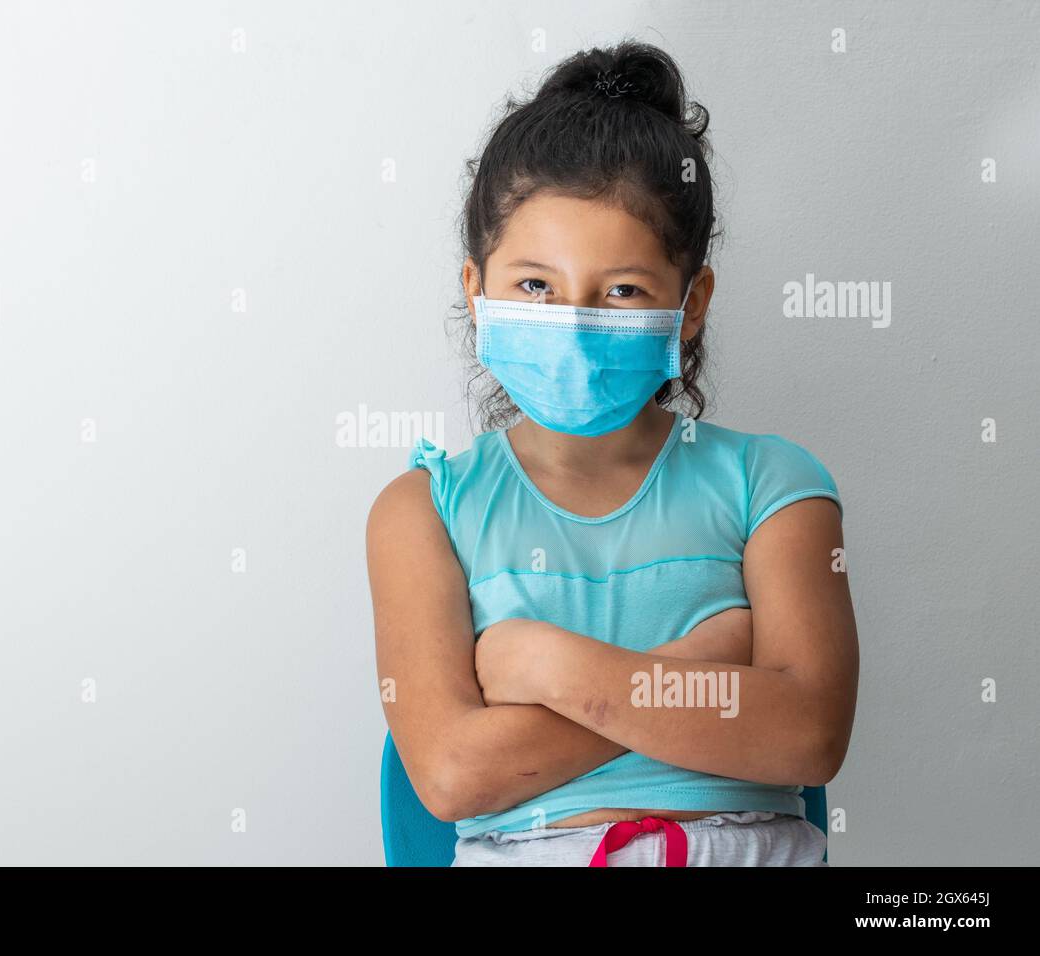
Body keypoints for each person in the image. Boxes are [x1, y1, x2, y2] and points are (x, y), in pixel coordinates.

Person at [365, 40, 859, 866]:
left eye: (622, 290)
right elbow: (452, 776)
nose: (574, 319)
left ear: (689, 304)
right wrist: (699, 664)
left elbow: (807, 736)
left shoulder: (776, 487)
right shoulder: (422, 512)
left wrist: (543, 666)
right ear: (474, 291)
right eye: (534, 287)